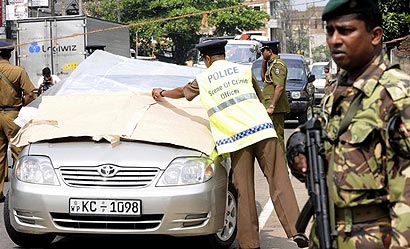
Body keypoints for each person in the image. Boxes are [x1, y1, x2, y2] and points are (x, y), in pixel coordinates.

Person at [152, 40, 308, 249]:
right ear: (224, 54)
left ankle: (250, 243)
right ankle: (296, 230)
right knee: (279, 180)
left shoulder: (204, 78)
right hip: (263, 130)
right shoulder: (243, 70)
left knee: (244, 192)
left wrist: (161, 93)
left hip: (237, 140)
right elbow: (258, 97)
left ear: (207, 59)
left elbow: (182, 92)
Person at [286, 0, 410, 248]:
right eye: (330, 31)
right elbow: (318, 139)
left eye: (346, 30)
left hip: (375, 238)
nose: (334, 40)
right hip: (328, 233)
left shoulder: (396, 95)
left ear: (375, 35)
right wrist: (297, 150)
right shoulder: (339, 92)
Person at [0, 40, 35, 202]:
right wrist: (21, 106)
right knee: (18, 152)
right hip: (13, 115)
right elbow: (30, 94)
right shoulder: (18, 71)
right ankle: (22, 190)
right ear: (10, 54)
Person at [260, 41, 290, 154]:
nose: (262, 53)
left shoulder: (278, 65)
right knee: (271, 137)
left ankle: (282, 167)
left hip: (276, 109)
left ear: (270, 51)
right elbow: (263, 78)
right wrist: (264, 61)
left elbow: (279, 87)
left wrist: (272, 106)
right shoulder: (271, 64)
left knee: (277, 137)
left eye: (263, 51)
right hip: (270, 107)